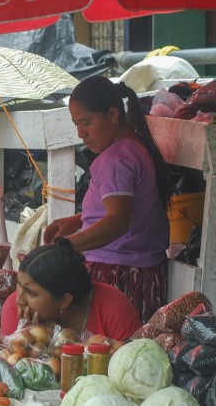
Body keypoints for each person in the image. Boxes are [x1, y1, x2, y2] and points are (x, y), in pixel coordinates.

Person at [42, 76, 172, 324]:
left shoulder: (116, 159)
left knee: (108, 352)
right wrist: (78, 220)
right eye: (76, 124)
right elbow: (125, 208)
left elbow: (117, 222)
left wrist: (66, 246)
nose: (80, 133)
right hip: (140, 272)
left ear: (113, 115)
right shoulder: (133, 146)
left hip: (120, 275)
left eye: (86, 122)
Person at [0, 238, 141, 342]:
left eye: (31, 293)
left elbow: (132, 361)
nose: (19, 299)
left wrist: (64, 342)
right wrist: (29, 340)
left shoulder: (113, 306)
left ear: (65, 300)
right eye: (19, 285)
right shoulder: (15, 307)